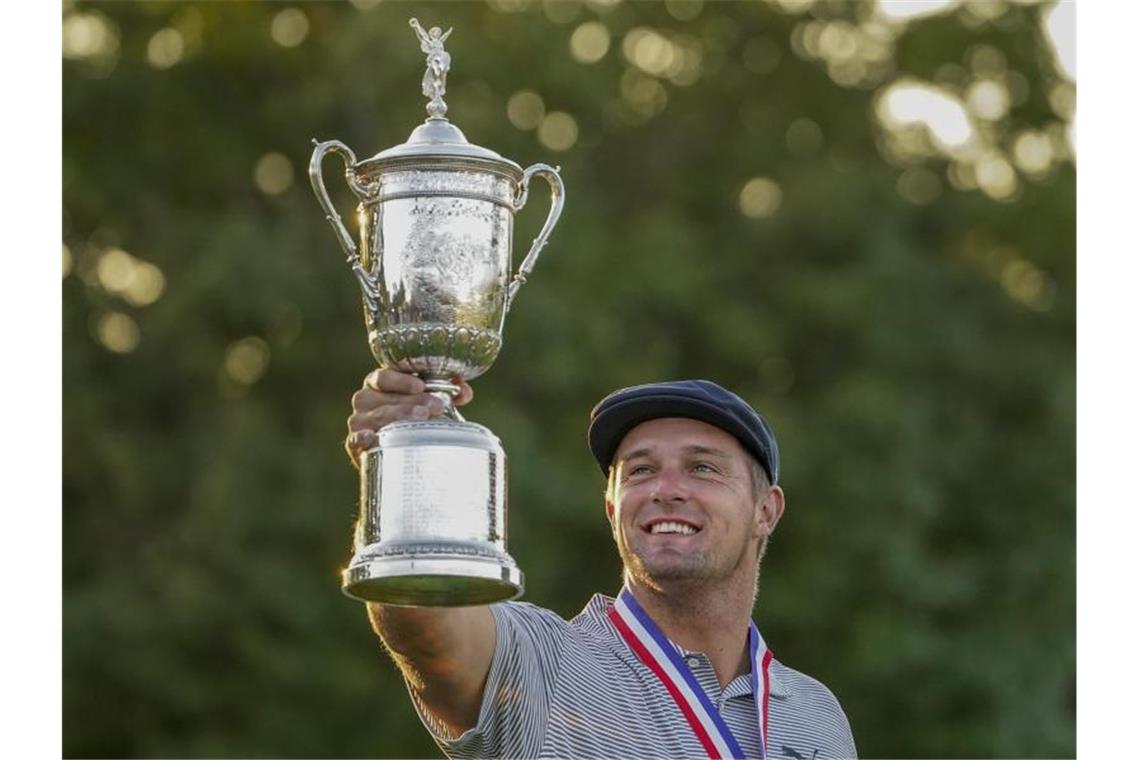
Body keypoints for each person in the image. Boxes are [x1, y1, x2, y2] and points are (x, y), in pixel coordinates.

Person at [346, 369, 857, 759]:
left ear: (765, 511)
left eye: (702, 468)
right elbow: (423, 621)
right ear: (613, 508)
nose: (665, 490)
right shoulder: (545, 664)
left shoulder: (816, 718)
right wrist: (401, 465)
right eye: (640, 470)